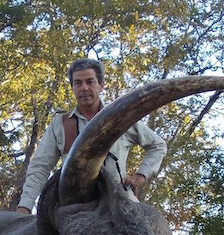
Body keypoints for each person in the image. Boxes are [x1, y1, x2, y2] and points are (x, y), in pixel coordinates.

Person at [16, 58, 167, 214]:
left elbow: (158, 145)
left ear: (101, 86)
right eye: (78, 83)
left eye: (90, 82)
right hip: (74, 210)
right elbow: (40, 166)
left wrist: (140, 176)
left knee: (151, 228)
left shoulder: (120, 117)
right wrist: (25, 206)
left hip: (120, 204)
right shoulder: (60, 124)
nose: (84, 88)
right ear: (72, 87)